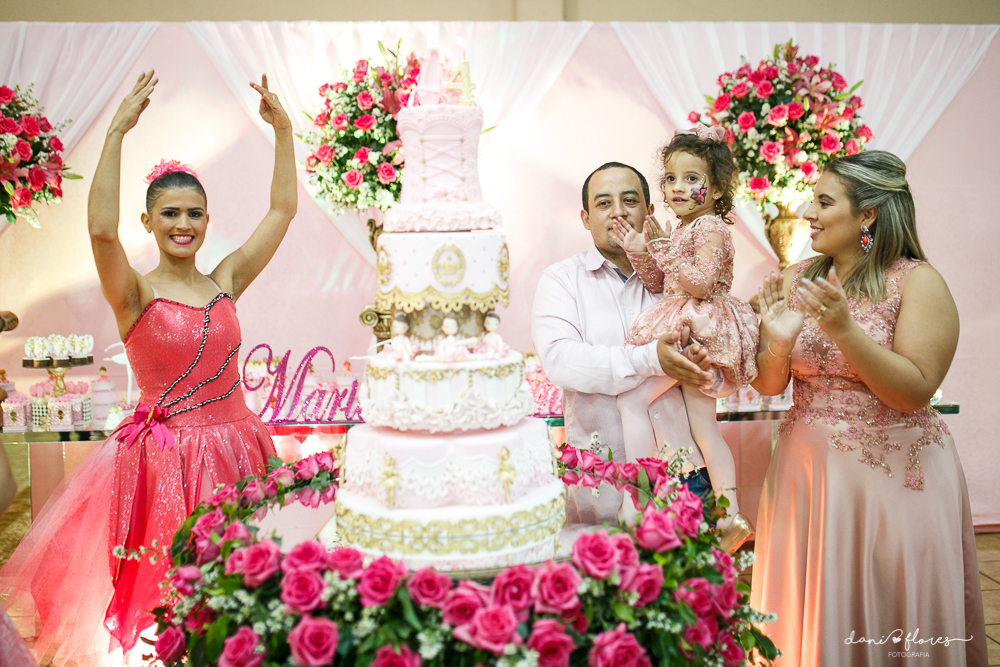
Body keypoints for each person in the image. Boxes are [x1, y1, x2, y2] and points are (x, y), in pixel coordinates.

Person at [0, 70, 297, 666]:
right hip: (167, 463)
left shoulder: (225, 280)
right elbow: (99, 231)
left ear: (208, 221)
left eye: (194, 213)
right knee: (176, 596)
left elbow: (282, 211)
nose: (183, 224)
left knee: (246, 590)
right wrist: (115, 132)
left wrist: (284, 133)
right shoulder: (133, 293)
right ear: (148, 222)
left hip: (239, 448)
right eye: (169, 213)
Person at [750, 150, 986, 665]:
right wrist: (777, 343)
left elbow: (913, 391)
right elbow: (769, 384)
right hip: (806, 478)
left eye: (824, 202)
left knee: (889, 610)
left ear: (868, 215)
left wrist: (844, 330)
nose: (808, 213)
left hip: (894, 482)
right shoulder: (796, 278)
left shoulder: (918, 282)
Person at [532, 161, 717, 526]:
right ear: (586, 219)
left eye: (630, 200)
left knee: (697, 565)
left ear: (650, 212)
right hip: (606, 477)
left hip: (686, 476)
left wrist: (702, 360)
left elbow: (713, 358)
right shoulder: (562, 280)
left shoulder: (679, 278)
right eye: (604, 203)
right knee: (608, 563)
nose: (618, 211)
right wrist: (651, 359)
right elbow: (560, 360)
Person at [610, 128, 758, 548]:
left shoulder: (710, 228)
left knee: (633, 402)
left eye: (692, 179)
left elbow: (700, 283)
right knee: (703, 429)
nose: (678, 187)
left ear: (717, 189)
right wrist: (640, 248)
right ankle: (730, 517)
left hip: (698, 327)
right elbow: (660, 282)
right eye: (672, 178)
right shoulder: (682, 229)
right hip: (685, 321)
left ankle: (636, 504)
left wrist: (661, 246)